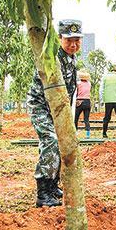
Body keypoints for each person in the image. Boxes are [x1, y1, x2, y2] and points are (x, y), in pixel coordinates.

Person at [27, 19, 81, 207]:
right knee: (50, 141)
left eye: (77, 40)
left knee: (61, 143)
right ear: (59, 39)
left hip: (57, 109)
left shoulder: (71, 59)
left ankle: (52, 186)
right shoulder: (52, 57)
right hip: (41, 106)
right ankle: (43, 192)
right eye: (69, 40)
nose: (73, 45)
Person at [74, 70, 91, 137]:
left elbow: (76, 92)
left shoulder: (78, 83)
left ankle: (75, 133)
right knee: (86, 119)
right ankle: (88, 134)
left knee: (76, 118)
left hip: (79, 102)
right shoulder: (89, 84)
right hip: (87, 101)